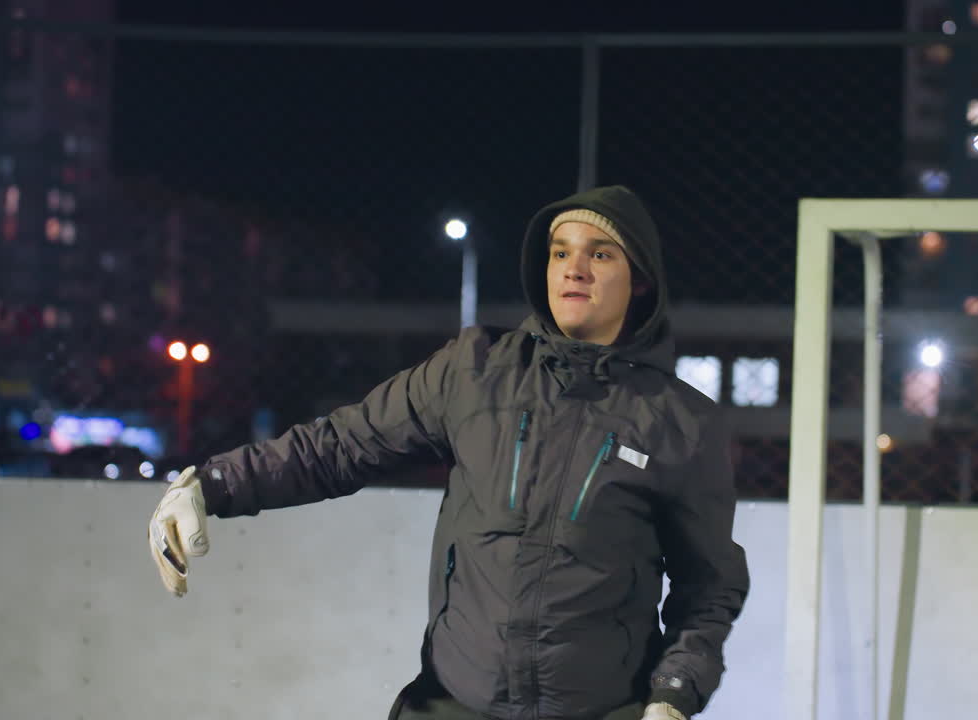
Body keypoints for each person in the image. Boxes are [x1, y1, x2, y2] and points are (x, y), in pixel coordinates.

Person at [148, 185, 750, 719]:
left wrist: (672, 696)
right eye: (560, 251)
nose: (575, 269)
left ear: (639, 278)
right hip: (455, 702)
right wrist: (210, 485)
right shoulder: (475, 372)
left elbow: (709, 588)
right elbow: (339, 447)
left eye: (600, 253)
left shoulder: (683, 423)